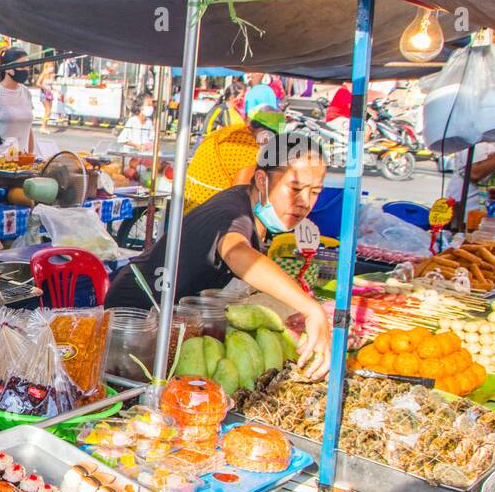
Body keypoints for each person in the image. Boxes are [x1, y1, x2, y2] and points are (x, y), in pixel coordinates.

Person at [105, 130, 333, 380]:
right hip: (134, 313)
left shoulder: (253, 209)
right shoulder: (232, 213)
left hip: (171, 318)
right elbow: (237, 253)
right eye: (295, 188)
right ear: (261, 179)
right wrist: (311, 308)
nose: (305, 202)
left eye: (315, 192)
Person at [183, 105, 287, 214]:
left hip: (187, 208)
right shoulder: (251, 151)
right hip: (210, 216)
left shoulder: (228, 132)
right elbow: (240, 199)